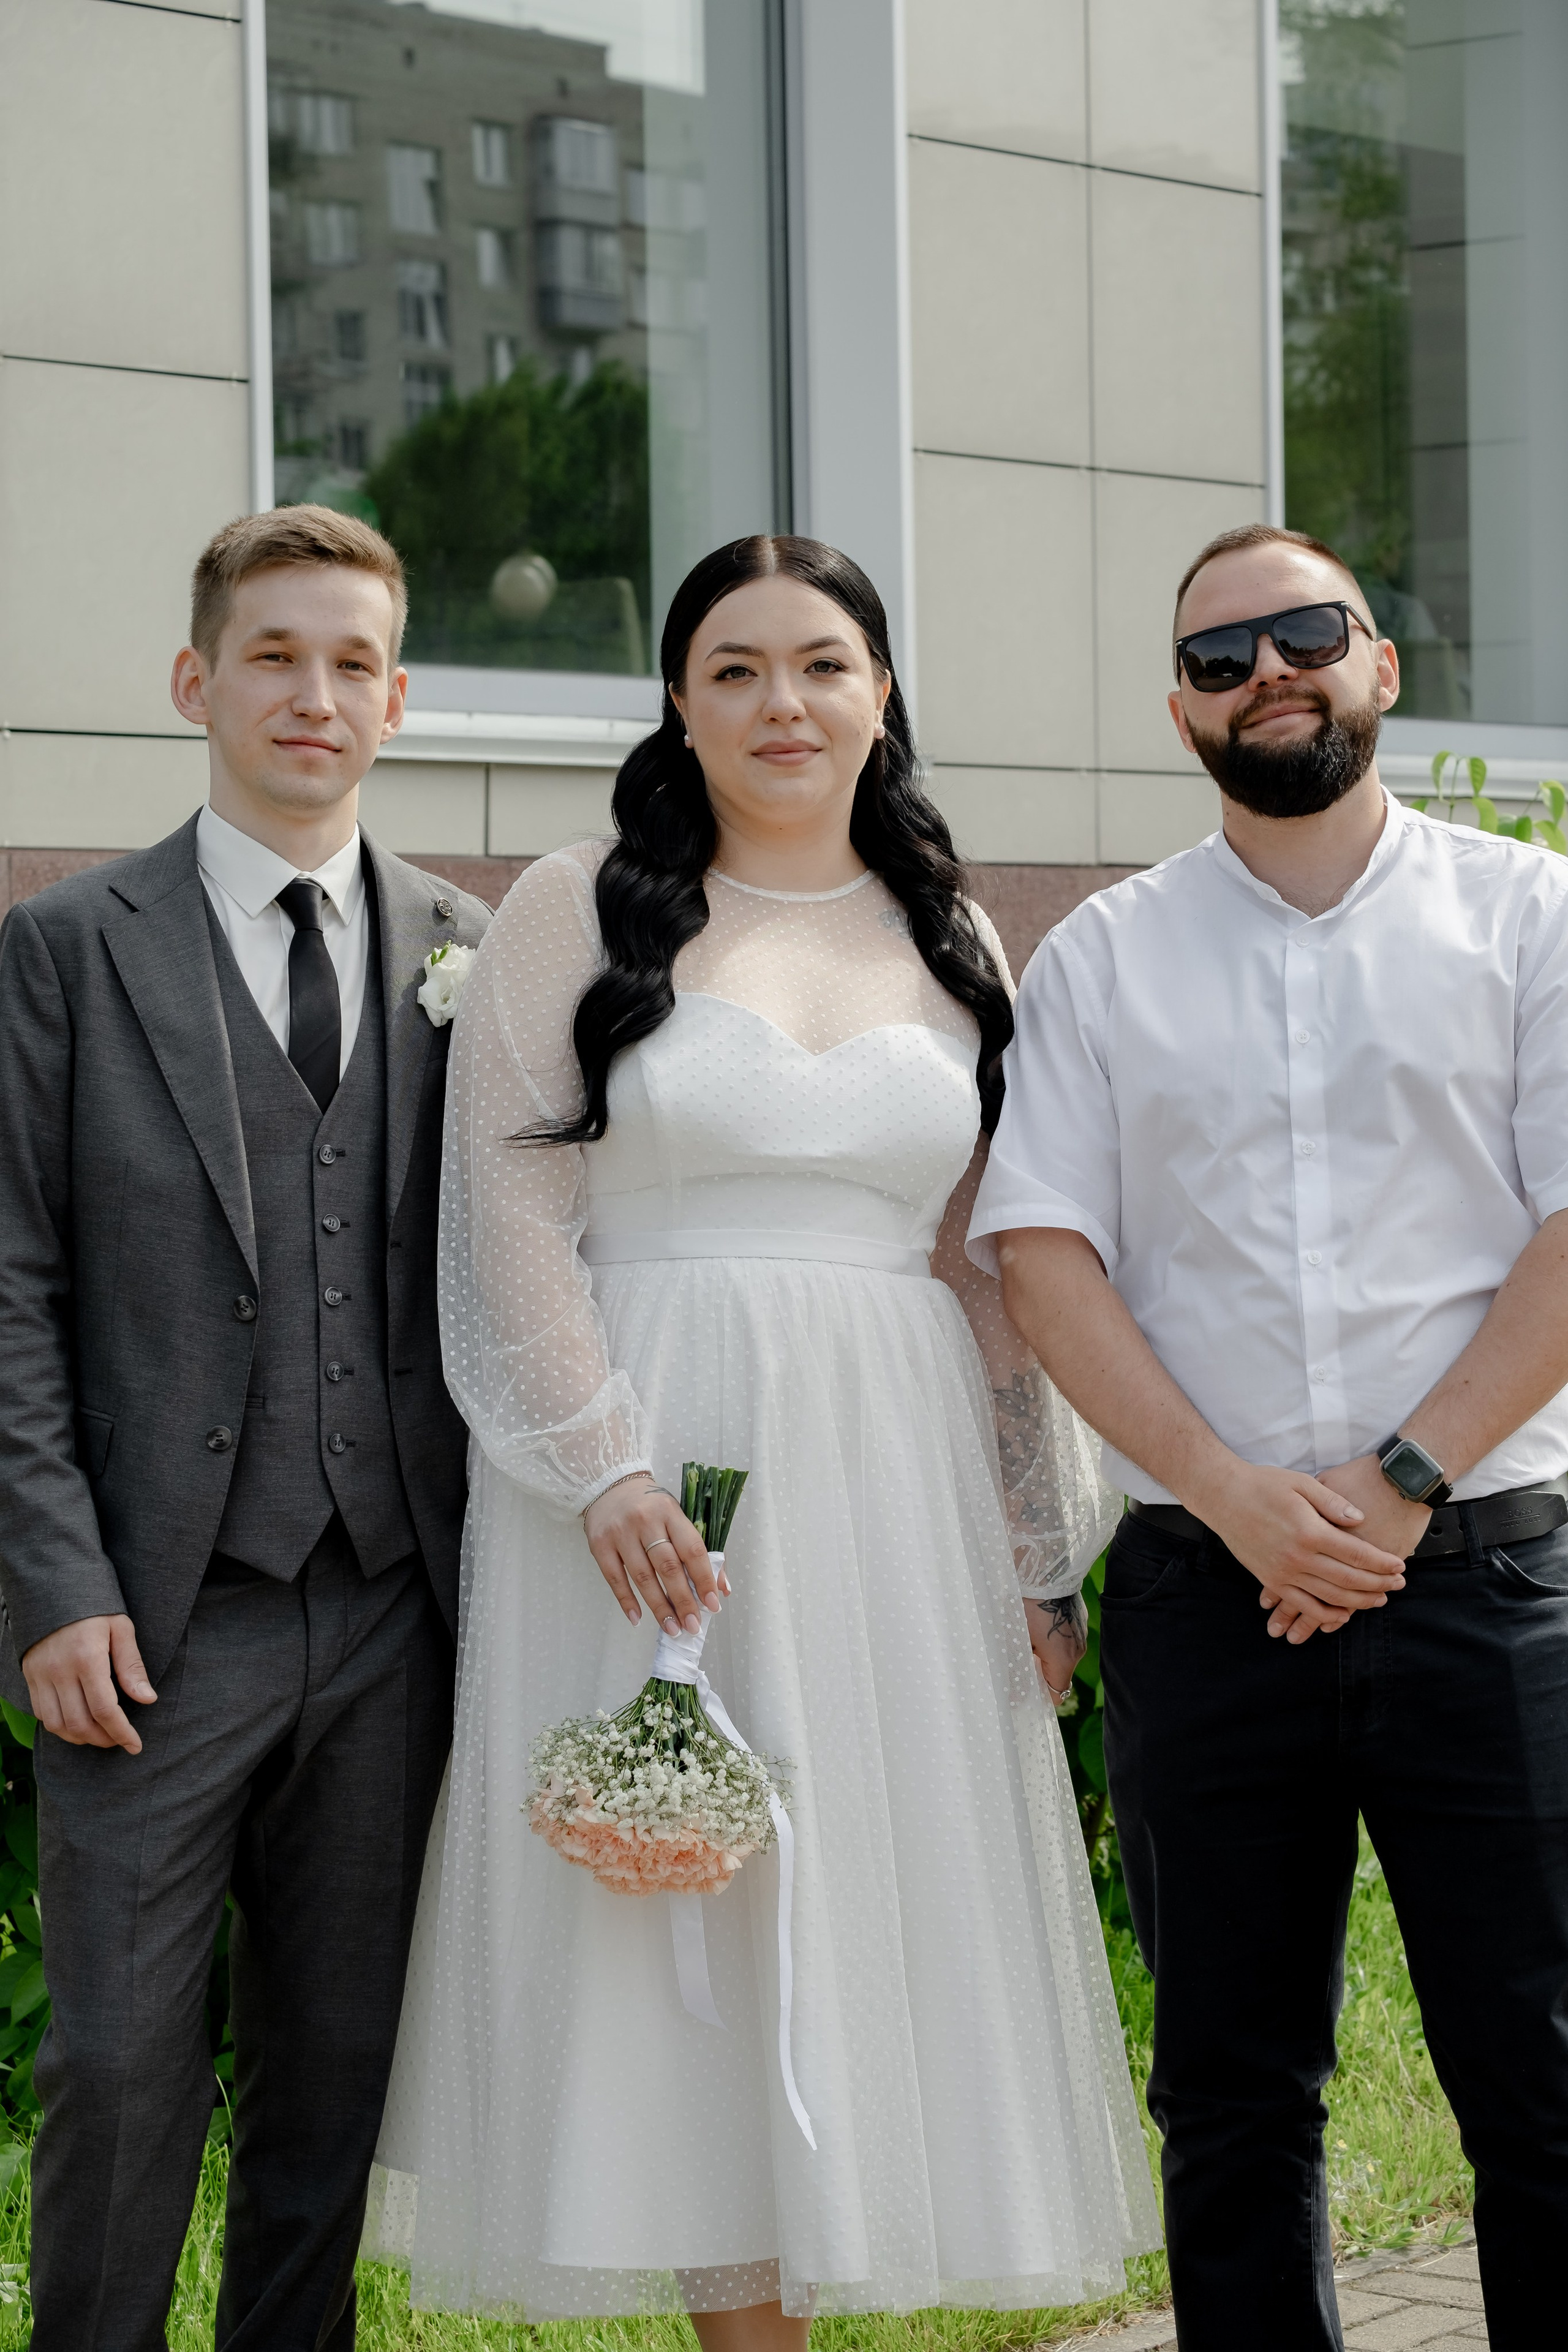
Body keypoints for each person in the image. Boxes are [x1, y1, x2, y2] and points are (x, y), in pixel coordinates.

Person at [369, 535, 1159, 2340]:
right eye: (733, 668)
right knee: (677, 1901)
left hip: (894, 1474)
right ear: (678, 703)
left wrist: (1034, 1555)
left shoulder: (956, 934)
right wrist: (606, 1464)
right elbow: (508, 1209)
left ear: (881, 694)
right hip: (655, 1461)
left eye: (819, 664)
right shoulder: (581, 902)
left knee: (864, 1882)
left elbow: (987, 1267)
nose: (779, 702)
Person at [969, 520, 1568, 2352]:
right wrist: (1240, 1506)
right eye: (1221, 658)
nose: (1267, 673)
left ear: (1379, 662)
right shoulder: (1103, 961)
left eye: (1304, 633)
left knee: (1543, 2090)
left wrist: (1393, 1491)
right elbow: (1044, 1254)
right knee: (1230, 2108)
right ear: (1182, 711)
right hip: (1200, 1602)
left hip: (1487, 1582)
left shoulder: (1531, 915)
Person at [0, 507, 491, 2350]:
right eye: (276, 655)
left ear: (397, 699)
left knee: (331, 2083)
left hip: (392, 1610)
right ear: (197, 682)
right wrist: (51, 1581)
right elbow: (10, 1288)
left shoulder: (468, 949)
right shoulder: (63, 950)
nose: (316, 694)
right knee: (121, 2072)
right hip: (150, 1617)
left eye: (354, 662)